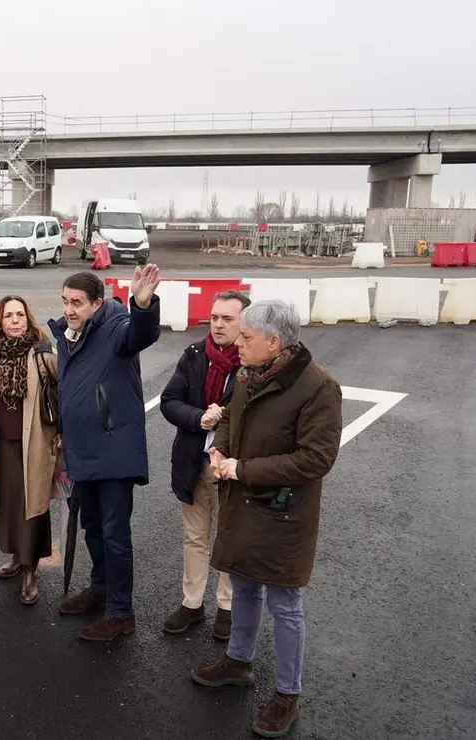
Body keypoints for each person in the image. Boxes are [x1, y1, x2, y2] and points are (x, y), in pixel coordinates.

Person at [189, 299, 342, 738]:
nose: (237, 342)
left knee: (285, 605)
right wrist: (219, 449)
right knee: (244, 585)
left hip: (282, 513)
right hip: (244, 505)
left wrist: (242, 470)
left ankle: (287, 695)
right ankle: (238, 662)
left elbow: (316, 459)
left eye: (247, 337)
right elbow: (230, 420)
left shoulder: (318, 388)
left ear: (274, 343)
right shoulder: (248, 375)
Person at [48, 266, 162, 642]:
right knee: (92, 527)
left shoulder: (115, 328)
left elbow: (140, 335)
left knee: (115, 533)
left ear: (97, 303)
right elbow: (70, 392)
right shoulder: (68, 337)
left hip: (113, 452)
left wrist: (143, 305)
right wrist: (64, 433)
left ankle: (120, 612)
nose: (69, 309)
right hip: (83, 451)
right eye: (65, 301)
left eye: (77, 302)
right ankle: (99, 588)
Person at [159, 290, 251, 641]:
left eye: (227, 318)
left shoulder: (252, 364)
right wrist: (199, 418)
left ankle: (226, 609)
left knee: (229, 540)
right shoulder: (196, 354)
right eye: (214, 317)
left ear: (244, 322)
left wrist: (224, 417)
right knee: (194, 538)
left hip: (230, 470)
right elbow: (169, 402)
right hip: (192, 463)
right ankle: (192, 604)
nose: (218, 325)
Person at [0, 295, 60, 606]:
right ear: (0, 320)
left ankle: (30, 570)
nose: (15, 321)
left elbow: (61, 389)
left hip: (34, 441)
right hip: (3, 442)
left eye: (20, 315)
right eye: (9, 315)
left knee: (33, 506)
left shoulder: (41, 351)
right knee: (10, 503)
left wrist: (60, 433)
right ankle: (15, 556)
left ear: (28, 318)